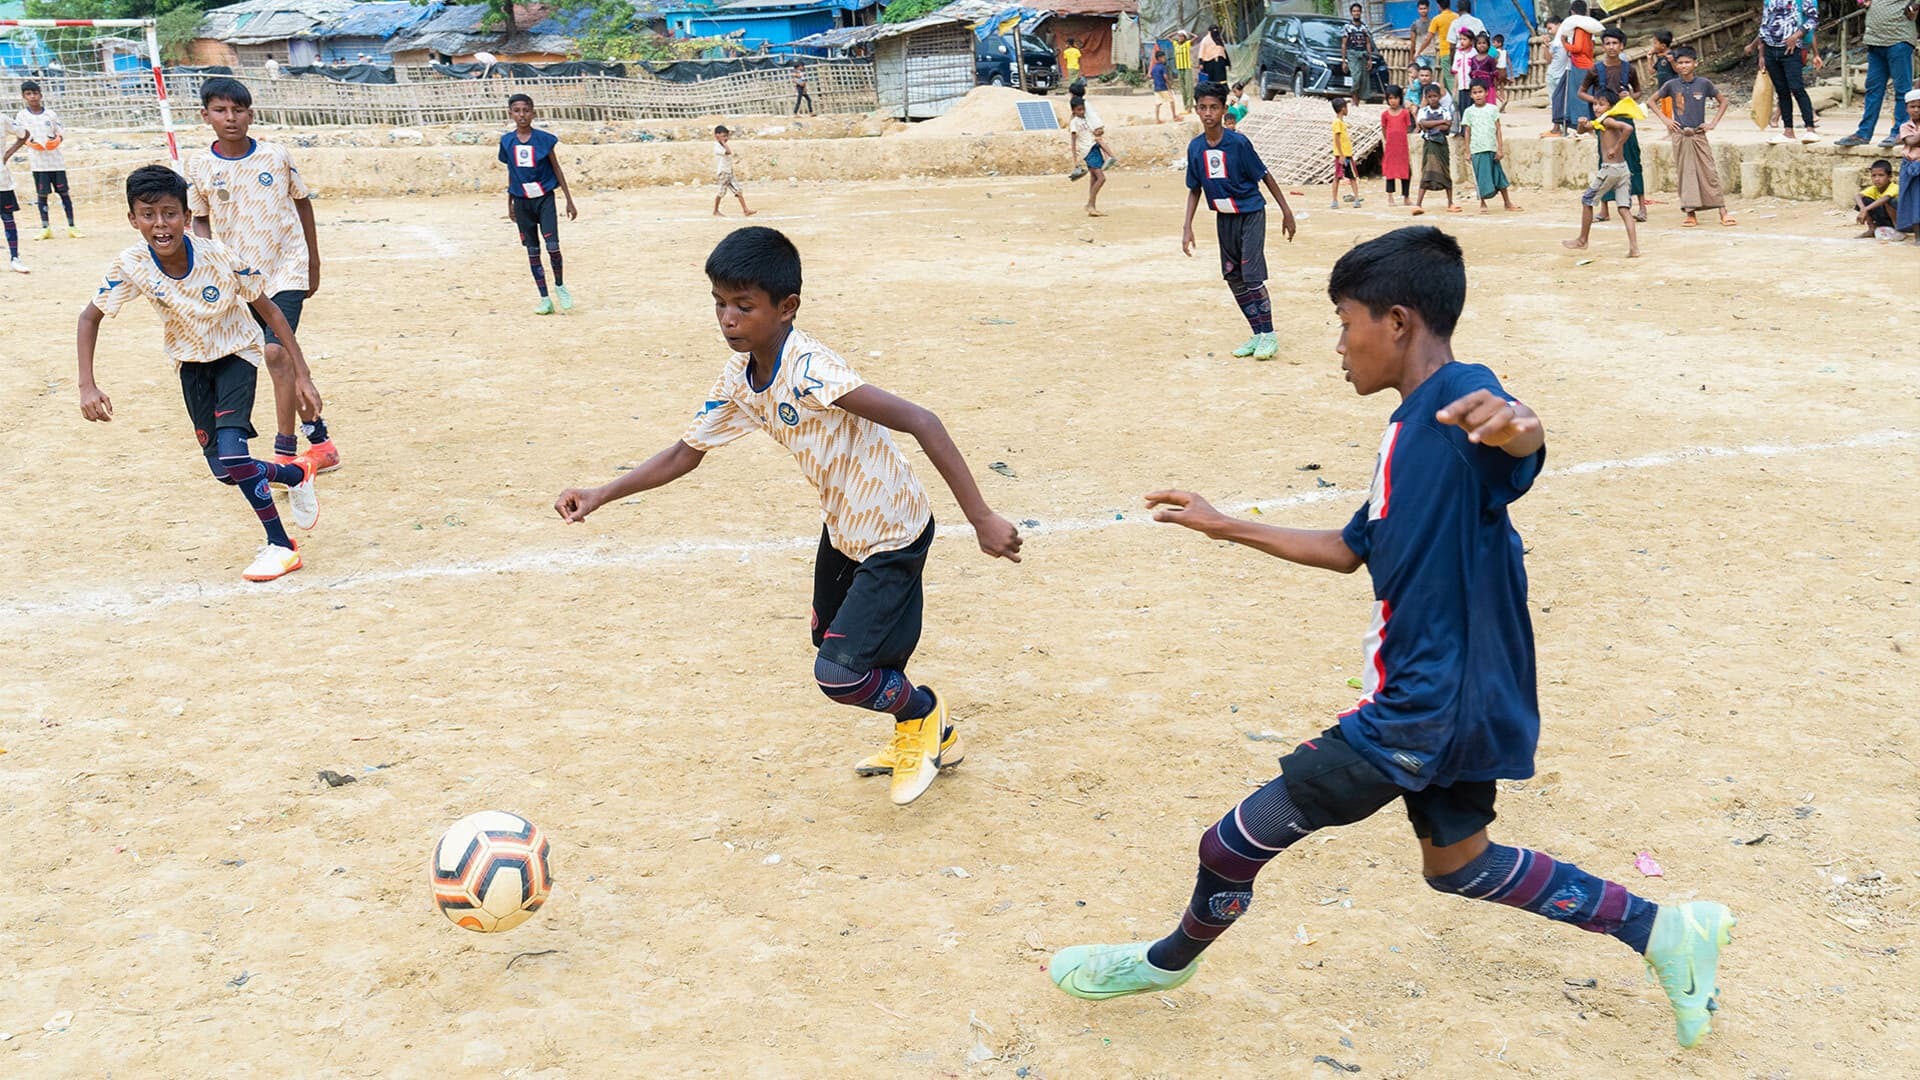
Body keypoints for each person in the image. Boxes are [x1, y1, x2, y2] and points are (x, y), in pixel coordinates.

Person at [1046, 226, 1734, 1056]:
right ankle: (1667, 933)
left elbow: (1516, 435)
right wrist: (1224, 525)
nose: (1339, 345)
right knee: (1459, 866)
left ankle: (1165, 963)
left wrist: (1520, 423)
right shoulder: (1408, 431)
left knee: (1231, 843)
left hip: (1425, 707)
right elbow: (1348, 550)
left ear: (1399, 321)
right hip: (1466, 700)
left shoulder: (1458, 405)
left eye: (1345, 322)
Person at [552, 226, 1022, 807]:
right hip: (845, 527)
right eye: (720, 304)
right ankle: (922, 733)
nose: (728, 318)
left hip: (892, 531)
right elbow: (684, 453)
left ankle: (924, 716)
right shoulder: (740, 378)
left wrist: (979, 517)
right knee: (833, 641)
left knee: (840, 673)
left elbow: (922, 420)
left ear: (787, 307)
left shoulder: (810, 369)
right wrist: (601, 493)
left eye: (744, 306)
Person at [78, 166, 321, 582]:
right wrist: (87, 384)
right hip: (190, 366)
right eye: (148, 214)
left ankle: (282, 546)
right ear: (132, 219)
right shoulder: (132, 263)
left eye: (170, 213)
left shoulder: (219, 257)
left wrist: (302, 375)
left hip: (236, 356)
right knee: (226, 471)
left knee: (233, 454)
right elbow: (89, 317)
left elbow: (271, 312)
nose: (160, 224)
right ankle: (294, 474)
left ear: (187, 217)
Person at [186, 77, 341, 476]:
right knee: (275, 356)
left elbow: (302, 204)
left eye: (238, 110)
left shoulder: (275, 156)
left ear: (250, 115)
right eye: (220, 110)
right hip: (240, 281)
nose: (231, 118)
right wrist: (208, 264)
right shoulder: (200, 167)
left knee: (275, 353)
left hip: (286, 268)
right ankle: (320, 440)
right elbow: (200, 221)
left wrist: (313, 262)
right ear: (206, 116)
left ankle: (286, 451)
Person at [1181, 81, 1296, 362]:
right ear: (1196, 110)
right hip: (1225, 218)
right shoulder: (1195, 148)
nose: (1208, 113)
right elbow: (1194, 188)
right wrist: (1187, 226)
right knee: (1234, 277)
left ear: (1223, 110)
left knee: (1252, 276)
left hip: (1251, 214)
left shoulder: (1239, 143)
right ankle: (1256, 333)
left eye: (1214, 107)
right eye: (1203, 107)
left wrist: (1286, 210)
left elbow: (1264, 175)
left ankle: (1269, 334)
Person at [498, 94, 578, 315]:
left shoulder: (544, 140)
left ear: (533, 112)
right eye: (517, 110)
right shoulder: (507, 141)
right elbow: (511, 172)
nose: (521, 115)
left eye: (526, 110)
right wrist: (510, 203)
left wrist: (569, 200)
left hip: (544, 199)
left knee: (552, 246)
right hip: (522, 203)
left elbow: (557, 169)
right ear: (510, 113)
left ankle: (560, 285)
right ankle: (544, 298)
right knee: (533, 251)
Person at [1651, 47, 1736, 227]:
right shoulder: (1671, 85)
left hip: (1698, 134)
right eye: (1680, 63)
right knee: (1685, 173)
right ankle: (1690, 213)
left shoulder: (1703, 83)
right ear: (1675, 65)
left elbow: (1724, 101)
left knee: (1709, 172)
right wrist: (1666, 120)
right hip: (1680, 135)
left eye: (1687, 62)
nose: (1684, 66)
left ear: (1695, 63)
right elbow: (1651, 101)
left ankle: (1723, 211)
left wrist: (1712, 124)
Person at [1565, 89, 1644, 257]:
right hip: (1623, 169)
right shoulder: (1601, 121)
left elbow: (1628, 128)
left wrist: (1616, 147)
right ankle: (1634, 248)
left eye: (1601, 104)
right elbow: (1581, 131)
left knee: (1587, 201)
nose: (1596, 107)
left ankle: (1582, 240)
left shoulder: (1608, 120)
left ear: (1611, 106)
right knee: (1624, 209)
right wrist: (1581, 123)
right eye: (1595, 104)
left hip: (1610, 170)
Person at [1582, 30, 1648, 222]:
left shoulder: (1629, 69)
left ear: (1622, 46)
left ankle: (1642, 207)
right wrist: (1597, 101)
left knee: (1633, 159)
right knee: (1605, 161)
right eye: (1607, 43)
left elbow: (1638, 92)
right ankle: (1604, 209)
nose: (1611, 47)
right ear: (1603, 46)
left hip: (1625, 118)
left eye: (1615, 43)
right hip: (1603, 122)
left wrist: (1630, 97)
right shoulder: (1595, 70)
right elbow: (1581, 92)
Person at [1835, 0, 1918, 147]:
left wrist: (1915, 5)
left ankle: (1900, 133)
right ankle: (1863, 133)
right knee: (1873, 90)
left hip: (1899, 39)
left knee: (1902, 91)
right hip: (1874, 41)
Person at [8, 81, 79, 239]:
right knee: (42, 195)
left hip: (56, 162)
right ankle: (45, 228)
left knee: (64, 193)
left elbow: (60, 132)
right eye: (28, 94)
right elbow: (21, 135)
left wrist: (57, 140)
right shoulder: (22, 116)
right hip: (38, 164)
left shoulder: (50, 114)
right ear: (23, 96)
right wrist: (29, 143)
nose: (32, 97)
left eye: (35, 93)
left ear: (41, 95)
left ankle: (72, 226)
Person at [1748, 0, 1822, 143]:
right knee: (1782, 91)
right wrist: (1762, 54)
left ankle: (1810, 129)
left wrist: (1796, 36)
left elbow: (1813, 19)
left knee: (1797, 88)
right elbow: (1764, 24)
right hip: (1771, 48)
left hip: (1792, 49)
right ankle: (1788, 131)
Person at [1460, 81, 1517, 211]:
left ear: (1486, 93)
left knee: (1499, 176)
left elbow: (1498, 129)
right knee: (1480, 177)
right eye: (1475, 93)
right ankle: (1483, 203)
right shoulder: (1469, 112)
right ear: (1471, 95)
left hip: (1491, 148)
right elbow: (1467, 132)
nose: (1478, 95)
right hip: (1477, 149)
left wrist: (1500, 148)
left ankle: (1507, 202)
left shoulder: (1493, 109)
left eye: (1480, 92)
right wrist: (1467, 151)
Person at [1555, 2, 1603, 129]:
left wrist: (1564, 43)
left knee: (1579, 94)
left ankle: (1579, 123)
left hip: (1579, 64)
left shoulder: (1579, 29)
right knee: (1587, 92)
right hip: (1588, 63)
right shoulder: (1588, 30)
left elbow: (1577, 48)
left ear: (1572, 12)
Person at [1413, 81, 1458, 214]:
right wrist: (1440, 122)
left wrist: (1430, 124)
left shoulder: (1445, 110)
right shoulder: (1423, 111)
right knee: (1426, 173)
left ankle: (1450, 202)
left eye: (1435, 96)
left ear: (1439, 97)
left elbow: (1447, 127)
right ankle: (1418, 204)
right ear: (1426, 98)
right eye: (1430, 97)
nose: (1433, 99)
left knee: (1445, 171)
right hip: (1429, 145)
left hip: (1441, 146)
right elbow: (1422, 124)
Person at [1068, 95, 1113, 216]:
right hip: (1088, 151)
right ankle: (1090, 204)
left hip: (1094, 147)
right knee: (1101, 178)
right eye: (1079, 110)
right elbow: (1073, 141)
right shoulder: (1074, 123)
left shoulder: (1086, 119)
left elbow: (1093, 132)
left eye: (1083, 109)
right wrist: (1075, 160)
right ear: (1073, 110)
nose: (1082, 112)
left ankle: (1092, 206)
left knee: (1094, 178)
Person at [711, 124, 756, 220]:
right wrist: (724, 143)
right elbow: (728, 151)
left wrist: (723, 142)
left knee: (738, 190)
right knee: (721, 192)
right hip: (723, 173)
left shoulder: (721, 145)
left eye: (726, 136)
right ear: (717, 136)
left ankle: (745, 210)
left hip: (729, 172)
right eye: (723, 136)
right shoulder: (717, 147)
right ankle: (715, 210)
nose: (726, 138)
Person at [0, 112, 25, 272]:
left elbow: (23, 134)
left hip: (1, 180)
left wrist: (7, 154)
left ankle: (15, 257)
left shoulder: (2, 118)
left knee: (8, 217)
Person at [1381, 85, 1413, 207]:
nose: (1393, 101)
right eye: (1390, 98)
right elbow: (1384, 129)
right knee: (1390, 172)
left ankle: (1406, 197)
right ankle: (1390, 198)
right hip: (1391, 147)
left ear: (1400, 98)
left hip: (1402, 147)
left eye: (1395, 98)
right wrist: (1388, 140)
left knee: (1405, 171)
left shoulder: (1405, 113)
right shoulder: (1385, 114)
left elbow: (1407, 128)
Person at [1330, 97, 1362, 208]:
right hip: (1342, 155)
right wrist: (1341, 155)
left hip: (1347, 154)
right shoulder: (1337, 123)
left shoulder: (1341, 122)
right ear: (1343, 109)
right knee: (1337, 177)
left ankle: (1357, 199)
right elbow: (1337, 139)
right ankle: (1334, 200)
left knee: (1352, 177)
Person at [1897, 90, 1920, 239]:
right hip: (1911, 168)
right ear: (1906, 108)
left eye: (1919, 106)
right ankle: (1918, 235)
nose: (1916, 110)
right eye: (1912, 106)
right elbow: (1911, 141)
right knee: (1914, 201)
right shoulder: (1905, 126)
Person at [1343, 3, 1377, 104]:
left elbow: (1367, 43)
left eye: (1358, 11)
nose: (1356, 13)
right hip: (1352, 55)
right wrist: (1344, 61)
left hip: (1363, 55)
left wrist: (1370, 59)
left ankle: (1359, 99)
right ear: (1351, 13)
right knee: (1356, 77)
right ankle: (1354, 97)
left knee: (1363, 78)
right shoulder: (1347, 27)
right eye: (1354, 11)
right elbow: (1344, 45)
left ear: (1361, 12)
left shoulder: (1364, 27)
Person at [1855, 159, 1900, 236]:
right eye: (1874, 175)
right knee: (1864, 200)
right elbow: (1857, 196)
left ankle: (1898, 230)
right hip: (1882, 219)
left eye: (1881, 175)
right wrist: (1863, 208)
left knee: (1890, 201)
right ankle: (1872, 229)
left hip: (1899, 220)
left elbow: (1885, 198)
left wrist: (1865, 209)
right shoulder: (1874, 188)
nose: (1877, 179)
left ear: (1889, 177)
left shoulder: (1895, 187)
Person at [1542, 18, 1570, 137]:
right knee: (1553, 102)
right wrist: (1545, 48)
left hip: (1561, 75)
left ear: (1559, 25)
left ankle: (1563, 127)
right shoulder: (1554, 43)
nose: (1549, 31)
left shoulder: (1566, 40)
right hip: (1551, 75)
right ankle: (1556, 127)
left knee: (1562, 102)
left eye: (1550, 28)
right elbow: (1549, 60)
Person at [1430, 0, 1460, 102]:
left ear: (1439, 6)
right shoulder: (1456, 16)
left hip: (1445, 52)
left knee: (1450, 78)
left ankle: (1456, 102)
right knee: (1447, 79)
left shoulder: (1437, 19)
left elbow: (1430, 35)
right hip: (1457, 51)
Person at [1150, 48, 1186, 122]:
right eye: (1163, 57)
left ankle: (1157, 119)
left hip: (1156, 88)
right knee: (1171, 101)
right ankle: (1174, 116)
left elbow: (1151, 76)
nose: (1164, 59)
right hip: (1163, 87)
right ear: (1159, 58)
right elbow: (1165, 77)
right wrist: (1169, 84)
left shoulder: (1154, 68)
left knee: (1158, 103)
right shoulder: (1163, 67)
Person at [1466, 32, 1500, 106]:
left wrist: (1495, 88)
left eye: (1484, 43)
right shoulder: (1473, 59)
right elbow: (1471, 74)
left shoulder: (1490, 59)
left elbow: (1495, 74)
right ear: (1475, 45)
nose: (1481, 45)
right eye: (1479, 43)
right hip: (1476, 88)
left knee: (1489, 107)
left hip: (1488, 87)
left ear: (1488, 45)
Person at [1410, 0, 1436, 84]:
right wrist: (1411, 57)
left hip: (1432, 54)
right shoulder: (1415, 24)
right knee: (1422, 78)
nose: (1423, 10)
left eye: (1425, 8)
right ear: (1418, 10)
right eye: (1421, 9)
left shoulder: (1433, 23)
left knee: (1430, 79)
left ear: (1428, 9)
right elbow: (1412, 42)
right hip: (1420, 55)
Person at [1173, 30, 1197, 109]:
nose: (1179, 37)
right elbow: (1168, 37)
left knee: (1188, 87)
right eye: (1179, 36)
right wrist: (1176, 32)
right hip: (1179, 68)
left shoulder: (1187, 44)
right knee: (1182, 88)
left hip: (1187, 67)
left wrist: (1187, 32)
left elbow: (1196, 37)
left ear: (1184, 37)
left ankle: (1189, 105)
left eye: (1181, 36)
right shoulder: (1176, 44)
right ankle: (1185, 105)